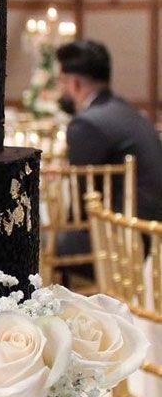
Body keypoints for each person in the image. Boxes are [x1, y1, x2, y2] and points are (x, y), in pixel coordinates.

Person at [56, 40, 162, 252]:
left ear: (74, 83)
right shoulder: (129, 111)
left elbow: (80, 207)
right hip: (152, 230)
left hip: (123, 239)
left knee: (43, 238)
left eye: (60, 82)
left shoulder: (86, 124)